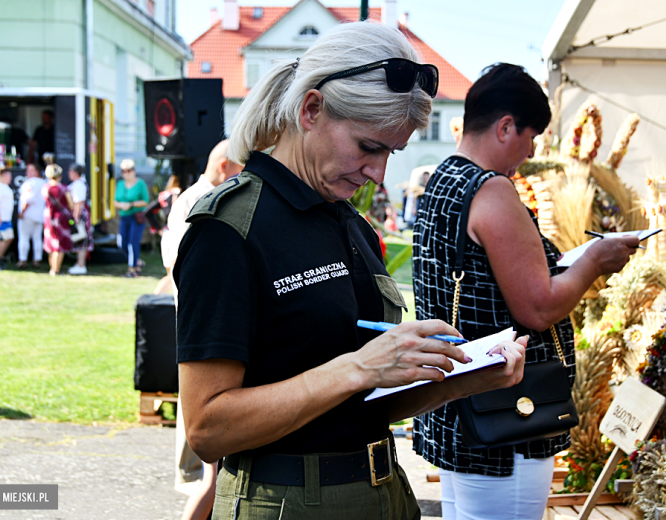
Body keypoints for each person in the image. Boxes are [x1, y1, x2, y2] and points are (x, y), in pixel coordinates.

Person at [174, 22, 528, 520]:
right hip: (286, 502)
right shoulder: (230, 229)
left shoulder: (351, 226)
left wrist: (466, 376)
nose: (379, 173)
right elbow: (208, 428)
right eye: (369, 147)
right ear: (311, 109)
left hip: (381, 493)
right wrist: (358, 366)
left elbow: (361, 404)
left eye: (392, 152)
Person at [411, 63, 640, 520]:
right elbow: (537, 308)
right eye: (530, 137)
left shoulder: (441, 181)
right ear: (505, 126)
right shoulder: (492, 191)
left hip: (458, 407)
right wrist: (594, 260)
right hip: (509, 416)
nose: (530, 152)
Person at [163, 140, 243, 520]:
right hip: (202, 323)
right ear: (225, 166)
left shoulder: (206, 198)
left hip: (210, 321)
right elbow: (179, 263)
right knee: (207, 469)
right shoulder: (197, 202)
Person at [155, 140, 243, 296]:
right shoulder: (192, 200)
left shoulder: (224, 196)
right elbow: (181, 256)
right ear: (223, 167)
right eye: (241, 171)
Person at [114, 158, 149, 278]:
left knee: (133, 242)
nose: (126, 173)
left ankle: (132, 269)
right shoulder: (120, 184)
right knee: (122, 243)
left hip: (137, 217)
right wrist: (121, 205)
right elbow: (115, 201)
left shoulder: (140, 184)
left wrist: (131, 204)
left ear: (134, 171)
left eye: (129, 170)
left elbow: (145, 201)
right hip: (125, 217)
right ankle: (137, 261)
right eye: (124, 171)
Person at [42, 163, 74, 276]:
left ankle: (52, 268)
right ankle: (56, 270)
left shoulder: (45, 187)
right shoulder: (64, 188)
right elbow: (71, 204)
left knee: (51, 244)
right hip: (61, 218)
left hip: (48, 217)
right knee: (59, 245)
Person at [17, 163, 46, 268]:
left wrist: (22, 212)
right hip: (40, 215)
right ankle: (37, 260)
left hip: (28, 215)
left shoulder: (30, 183)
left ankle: (23, 260)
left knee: (24, 237)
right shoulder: (44, 183)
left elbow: (28, 199)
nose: (28, 172)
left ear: (37, 171)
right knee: (37, 238)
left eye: (31, 170)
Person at [67, 164, 94, 275]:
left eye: (70, 171)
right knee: (80, 241)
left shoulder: (78, 185)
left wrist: (76, 217)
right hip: (80, 215)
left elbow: (79, 202)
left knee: (81, 241)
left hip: (79, 216)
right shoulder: (79, 183)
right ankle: (79, 263)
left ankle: (81, 265)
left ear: (75, 173)